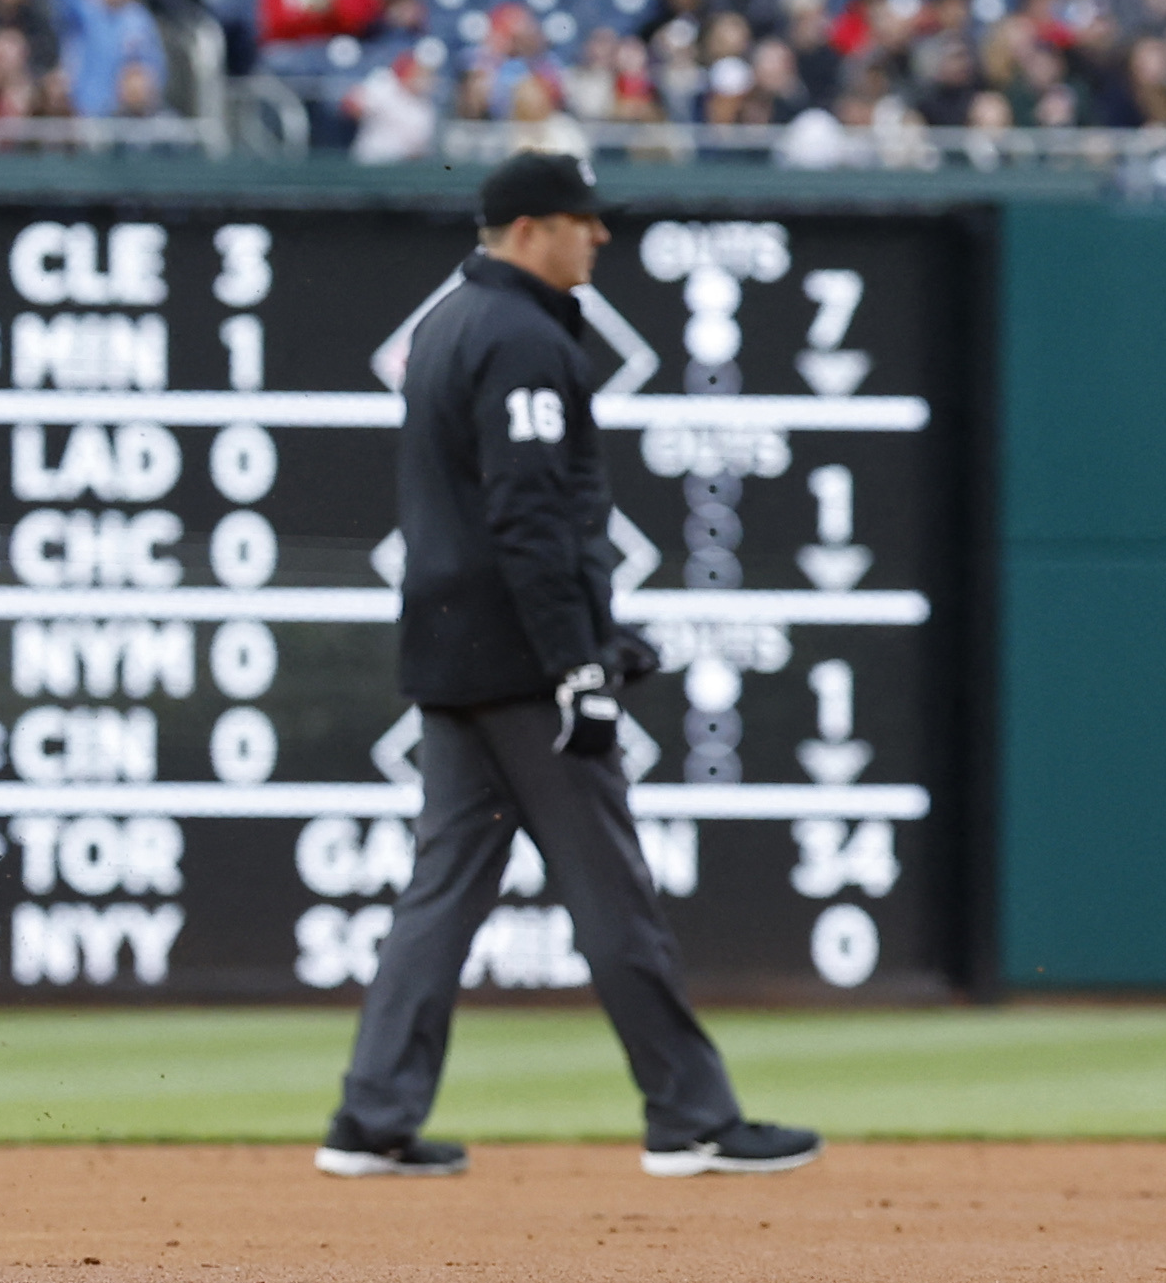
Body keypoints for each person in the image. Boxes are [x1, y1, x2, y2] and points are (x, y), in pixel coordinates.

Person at [318, 152, 823, 1182]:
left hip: (452, 653)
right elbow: (531, 518)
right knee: (611, 888)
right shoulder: (516, 333)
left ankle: (371, 1117)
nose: (598, 237)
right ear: (529, 227)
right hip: (519, 667)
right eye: (581, 221)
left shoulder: (451, 323)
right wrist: (578, 665)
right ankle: (689, 1114)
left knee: (441, 893)